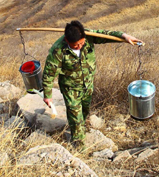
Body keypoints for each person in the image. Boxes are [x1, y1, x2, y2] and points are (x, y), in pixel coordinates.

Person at [42, 20, 143, 149]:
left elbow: (106, 35)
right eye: (75, 45)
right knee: (75, 115)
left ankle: (79, 127)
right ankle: (79, 146)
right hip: (70, 88)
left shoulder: (88, 35)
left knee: (84, 110)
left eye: (81, 43)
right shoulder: (57, 50)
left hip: (88, 84)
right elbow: (49, 74)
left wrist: (124, 36)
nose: (79, 47)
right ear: (67, 41)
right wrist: (47, 95)